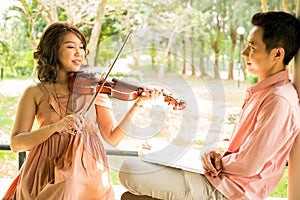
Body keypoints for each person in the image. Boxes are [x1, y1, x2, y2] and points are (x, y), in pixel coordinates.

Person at [118, 11, 300, 200]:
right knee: (130, 195)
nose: (244, 52)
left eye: (252, 47)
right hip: (221, 178)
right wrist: (215, 151)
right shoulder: (264, 92)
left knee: (130, 170)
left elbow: (249, 164)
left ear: (277, 54)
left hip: (232, 190)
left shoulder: (279, 101)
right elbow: (238, 144)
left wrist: (213, 163)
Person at [2, 22, 163, 200]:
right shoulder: (35, 91)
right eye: (71, 46)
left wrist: (138, 105)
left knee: (71, 183)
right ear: (53, 50)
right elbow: (16, 144)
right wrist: (55, 127)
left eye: (81, 47)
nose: (79, 53)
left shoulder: (94, 88)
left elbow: (113, 138)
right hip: (45, 168)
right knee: (65, 186)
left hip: (87, 169)